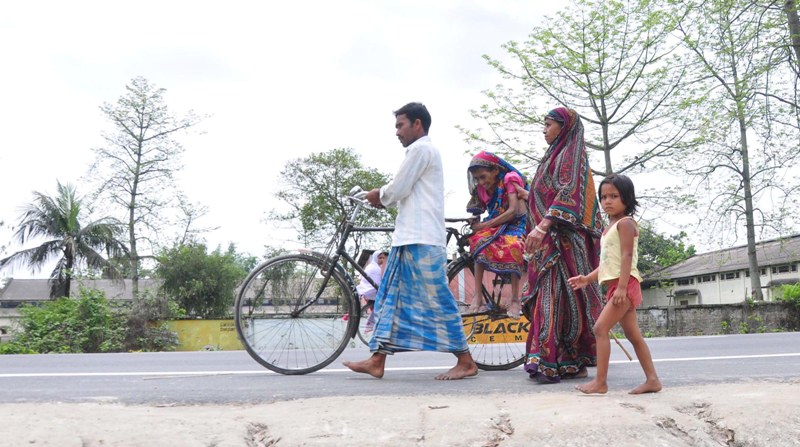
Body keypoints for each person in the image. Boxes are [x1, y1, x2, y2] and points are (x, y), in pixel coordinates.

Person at [342, 102, 478, 380]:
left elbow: (397, 188)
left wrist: (376, 195)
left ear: (418, 124)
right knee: (389, 298)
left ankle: (466, 360)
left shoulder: (421, 149)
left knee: (438, 298)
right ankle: (377, 359)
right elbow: (401, 191)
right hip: (409, 238)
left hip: (422, 239)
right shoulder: (420, 151)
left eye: (400, 125)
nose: (397, 132)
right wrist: (383, 197)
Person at [519, 107, 604, 384]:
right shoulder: (551, 157)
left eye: (548, 124)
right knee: (553, 300)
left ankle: (555, 360)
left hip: (563, 242)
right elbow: (543, 192)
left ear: (563, 127)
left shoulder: (571, 155)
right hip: (545, 243)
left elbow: (568, 193)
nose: (544, 130)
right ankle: (556, 360)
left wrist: (543, 225)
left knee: (561, 301)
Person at [567, 174, 662, 394]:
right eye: (603, 197)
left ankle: (600, 382)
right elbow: (608, 263)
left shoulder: (626, 223)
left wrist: (621, 287)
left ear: (627, 199)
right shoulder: (609, 227)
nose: (607, 201)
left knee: (600, 328)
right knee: (634, 336)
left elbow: (627, 256)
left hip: (624, 286)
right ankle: (653, 380)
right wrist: (587, 279)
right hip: (618, 286)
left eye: (614, 196)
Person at [465, 151, 528, 319]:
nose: (481, 182)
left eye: (483, 176)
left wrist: (484, 225)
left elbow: (513, 211)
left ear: (495, 170)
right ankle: (477, 295)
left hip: (517, 223)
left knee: (513, 246)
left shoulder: (509, 179)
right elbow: (478, 211)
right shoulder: (481, 189)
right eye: (477, 179)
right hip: (496, 223)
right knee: (478, 242)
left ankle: (515, 299)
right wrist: (475, 223)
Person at [355, 250, 389, 333]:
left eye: (383, 258)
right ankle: (373, 328)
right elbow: (377, 283)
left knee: (377, 312)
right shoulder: (375, 268)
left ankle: (374, 328)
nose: (382, 260)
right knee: (381, 311)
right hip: (372, 292)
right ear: (375, 258)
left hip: (370, 293)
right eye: (380, 258)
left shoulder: (373, 267)